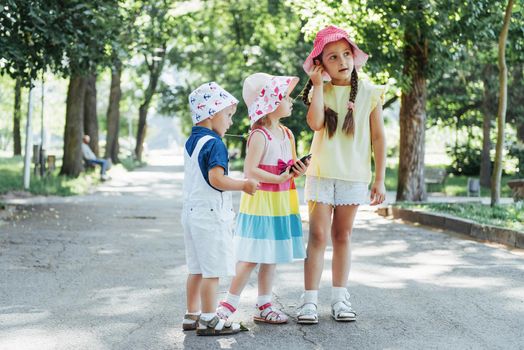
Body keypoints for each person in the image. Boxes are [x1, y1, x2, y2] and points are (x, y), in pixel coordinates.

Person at [297, 25, 387, 324]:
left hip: (354, 176)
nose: (342, 61)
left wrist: (379, 178)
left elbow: (378, 138)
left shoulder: (371, 92)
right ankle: (309, 301)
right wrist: (318, 86)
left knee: (342, 236)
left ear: (354, 56)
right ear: (321, 63)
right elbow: (315, 124)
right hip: (321, 174)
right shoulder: (318, 90)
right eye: (333, 57)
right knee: (318, 235)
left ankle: (339, 298)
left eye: (346, 54)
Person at [216, 73, 308, 324]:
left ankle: (264, 304)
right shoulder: (259, 135)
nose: (291, 101)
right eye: (286, 97)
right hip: (261, 200)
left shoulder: (287, 133)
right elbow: (250, 170)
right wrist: (278, 179)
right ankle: (228, 305)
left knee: (272, 255)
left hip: (281, 201)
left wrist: (298, 170)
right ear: (270, 103)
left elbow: (288, 165)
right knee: (251, 256)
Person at [181, 82, 259, 336]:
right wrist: (244, 185)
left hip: (192, 213)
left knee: (196, 267)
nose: (230, 122)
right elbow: (216, 180)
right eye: (228, 116)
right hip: (210, 215)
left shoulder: (193, 140)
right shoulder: (215, 144)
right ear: (212, 114)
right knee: (211, 271)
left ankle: (191, 314)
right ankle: (209, 319)